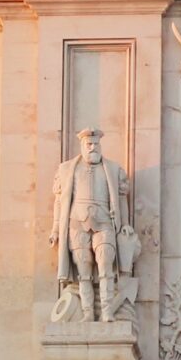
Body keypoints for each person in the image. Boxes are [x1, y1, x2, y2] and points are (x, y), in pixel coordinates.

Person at [48, 128, 132, 322]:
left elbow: (121, 199)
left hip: (104, 223)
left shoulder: (112, 169)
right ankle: (87, 312)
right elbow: (60, 201)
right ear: (82, 146)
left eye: (96, 144)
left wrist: (125, 223)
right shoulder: (67, 169)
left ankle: (107, 311)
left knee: (105, 266)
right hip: (77, 223)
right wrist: (55, 229)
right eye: (89, 144)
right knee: (84, 271)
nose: (93, 147)